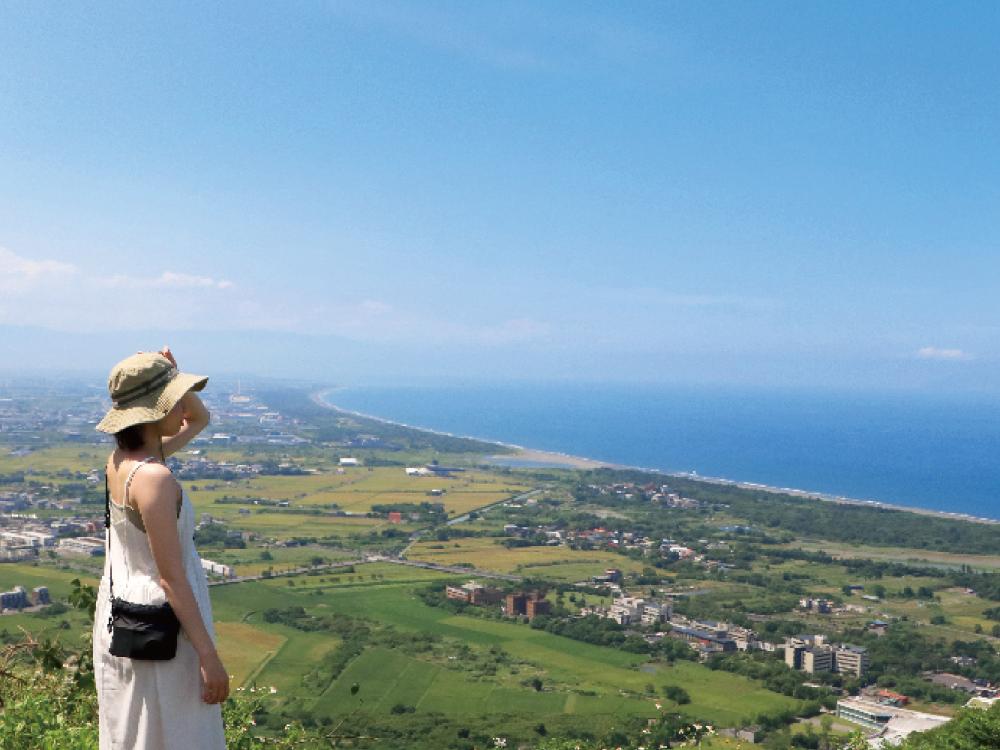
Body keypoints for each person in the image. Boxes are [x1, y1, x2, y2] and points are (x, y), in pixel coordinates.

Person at [93, 347, 229, 749]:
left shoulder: (122, 461)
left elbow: (198, 418)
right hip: (165, 627)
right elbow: (171, 578)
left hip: (126, 617)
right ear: (156, 408)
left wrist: (172, 372)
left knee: (137, 733)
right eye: (173, 397)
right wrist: (209, 656)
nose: (182, 406)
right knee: (180, 734)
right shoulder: (155, 478)